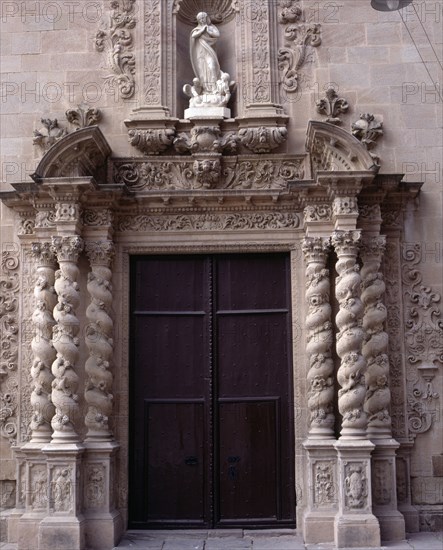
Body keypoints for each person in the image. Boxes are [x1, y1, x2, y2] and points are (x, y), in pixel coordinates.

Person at [190, 12, 221, 94]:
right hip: (200, 53)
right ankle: (205, 90)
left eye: (203, 18)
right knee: (202, 71)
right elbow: (193, 36)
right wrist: (202, 30)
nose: (202, 20)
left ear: (207, 18)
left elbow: (217, 35)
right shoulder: (197, 29)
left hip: (209, 51)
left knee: (212, 67)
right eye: (200, 19)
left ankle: (214, 88)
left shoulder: (211, 27)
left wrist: (209, 31)